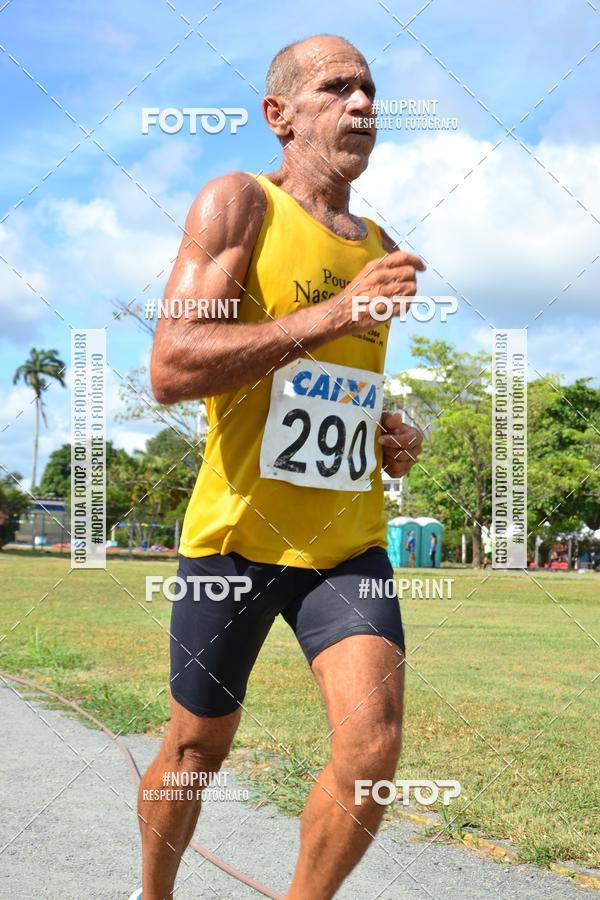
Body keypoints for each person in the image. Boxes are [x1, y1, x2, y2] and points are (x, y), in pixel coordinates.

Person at [133, 34, 424, 900]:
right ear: (280, 114)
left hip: (345, 546)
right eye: (337, 88)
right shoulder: (239, 203)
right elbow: (172, 366)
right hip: (236, 542)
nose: (362, 104)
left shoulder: (380, 245)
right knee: (197, 749)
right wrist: (339, 311)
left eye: (369, 90)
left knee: (371, 750)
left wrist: (384, 430)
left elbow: (329, 386)